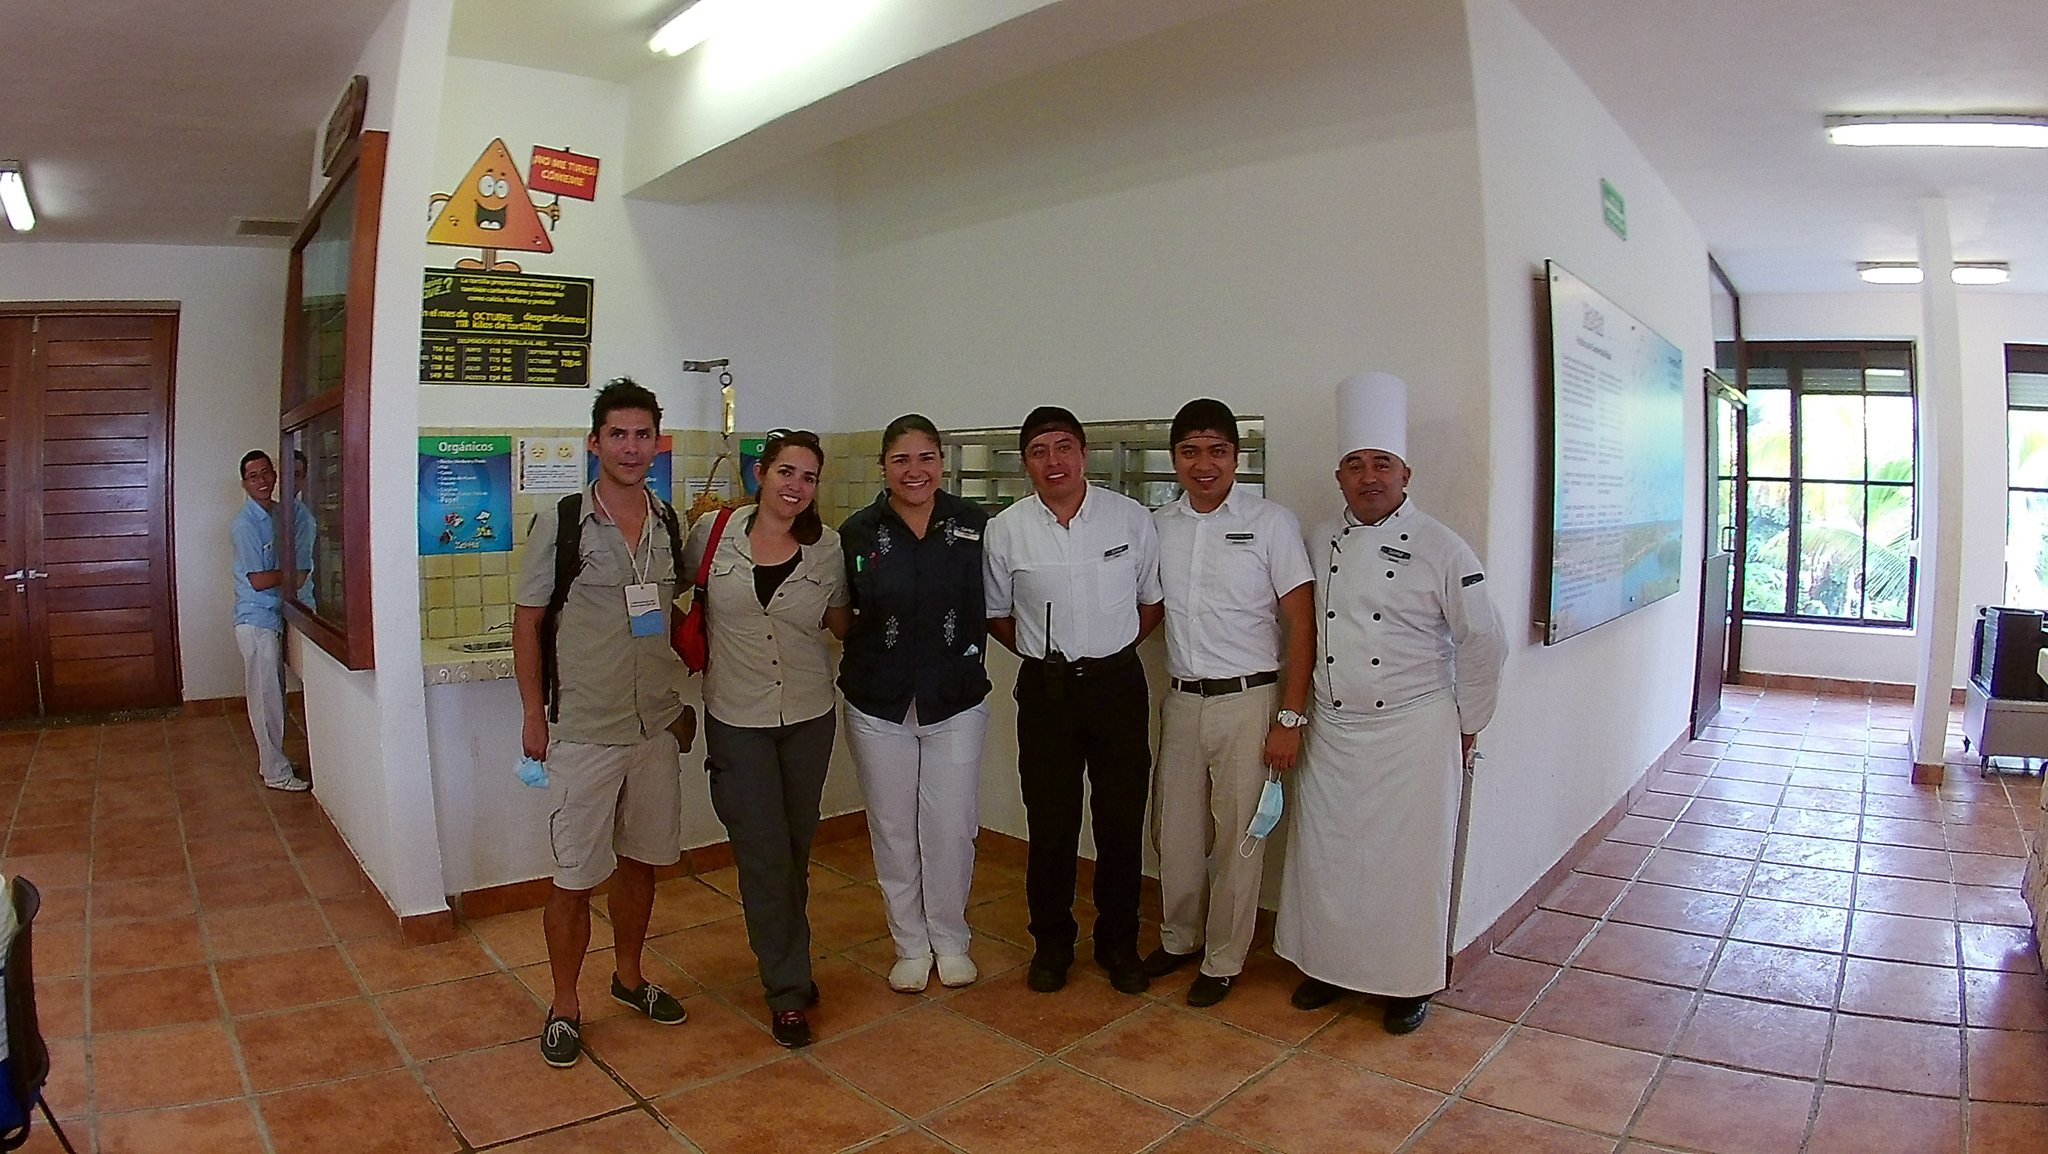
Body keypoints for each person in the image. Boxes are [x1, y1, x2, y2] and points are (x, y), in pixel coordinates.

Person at [1275, 371, 1507, 1035]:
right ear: (1339, 477)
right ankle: (1327, 966)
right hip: (1333, 726)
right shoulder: (1320, 538)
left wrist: (1469, 722)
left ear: (1406, 474)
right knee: (1328, 857)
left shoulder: (1442, 545)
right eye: (1355, 465)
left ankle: (1408, 983)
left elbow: (1485, 640)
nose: (1368, 477)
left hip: (1413, 729)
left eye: (1381, 464)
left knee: (1409, 867)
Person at [513, 378, 691, 1069]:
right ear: (595, 442)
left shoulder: (668, 522)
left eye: (643, 435)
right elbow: (528, 623)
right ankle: (564, 1004)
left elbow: (669, 614)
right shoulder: (562, 523)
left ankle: (630, 978)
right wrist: (533, 714)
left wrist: (679, 700)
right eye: (618, 434)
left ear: (657, 443)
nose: (631, 447)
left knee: (641, 863)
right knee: (573, 877)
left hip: (652, 729)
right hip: (584, 729)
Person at [983, 406, 1163, 995]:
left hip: (1117, 687)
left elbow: (1151, 603)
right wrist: (1044, 654)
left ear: (1084, 454)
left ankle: (1119, 943)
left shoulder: (1130, 518)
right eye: (1039, 451)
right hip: (1047, 691)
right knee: (1051, 823)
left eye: (1064, 447)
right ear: (1026, 463)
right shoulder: (1006, 530)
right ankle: (1052, 944)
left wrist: (1112, 650)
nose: (1053, 461)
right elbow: (997, 614)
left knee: (1120, 821)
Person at [1143, 399, 1314, 1007]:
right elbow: (1144, 608)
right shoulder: (1159, 526)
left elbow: (1302, 624)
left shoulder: (1271, 523)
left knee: (1241, 837)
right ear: (1174, 459)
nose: (1204, 464)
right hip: (1183, 700)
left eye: (1217, 450)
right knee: (1175, 833)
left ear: (1236, 457)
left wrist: (1290, 717)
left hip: (1250, 701)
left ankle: (1223, 959)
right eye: (1190, 451)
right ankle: (1180, 937)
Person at [686, 428, 852, 1048]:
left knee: (795, 851)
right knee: (763, 854)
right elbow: (662, 587)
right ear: (761, 474)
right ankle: (786, 990)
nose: (796, 486)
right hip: (737, 720)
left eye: (809, 477)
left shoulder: (828, 549)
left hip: (808, 717)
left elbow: (841, 623)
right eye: (786, 472)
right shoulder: (712, 534)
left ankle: (790, 961)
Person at [838, 415, 992, 994]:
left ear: (941, 462)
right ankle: (909, 944)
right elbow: (840, 612)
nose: (914, 471)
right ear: (883, 466)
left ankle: (951, 940)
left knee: (950, 828)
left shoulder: (975, 526)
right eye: (901, 460)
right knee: (894, 829)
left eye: (926, 458)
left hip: (956, 700)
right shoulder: (856, 533)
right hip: (878, 703)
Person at [230, 450, 309, 793]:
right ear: (244, 484)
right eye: (253, 476)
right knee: (266, 701)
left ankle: (273, 760)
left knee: (274, 695)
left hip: (273, 618)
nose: (261, 481)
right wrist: (294, 574)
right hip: (256, 622)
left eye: (266, 473)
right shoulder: (244, 525)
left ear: (275, 475)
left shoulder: (279, 513)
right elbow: (258, 580)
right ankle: (275, 773)